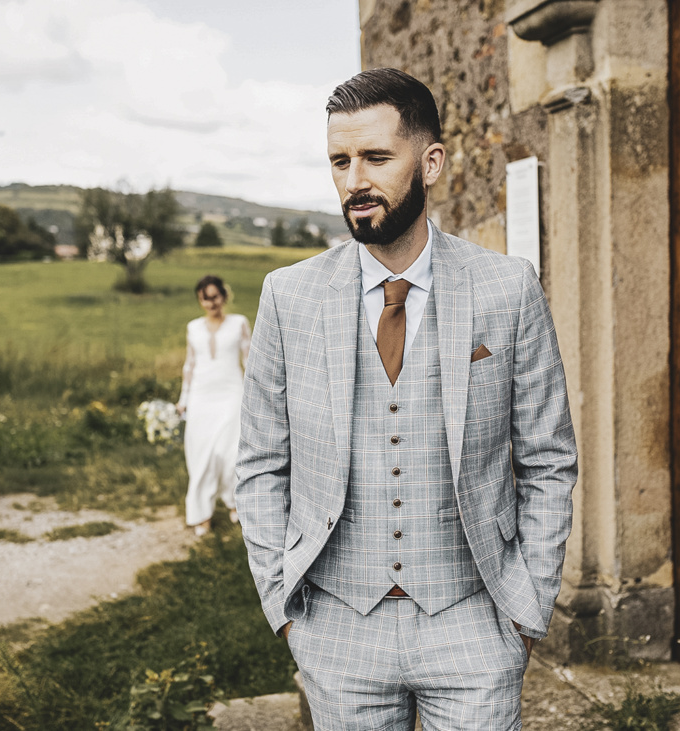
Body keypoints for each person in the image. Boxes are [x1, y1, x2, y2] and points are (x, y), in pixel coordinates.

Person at [236, 68, 577, 730]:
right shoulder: (289, 295)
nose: (353, 179)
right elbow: (259, 462)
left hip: (475, 621)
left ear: (430, 163)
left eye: (375, 157)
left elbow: (548, 457)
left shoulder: (507, 288)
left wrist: (526, 608)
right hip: (337, 627)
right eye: (340, 160)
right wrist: (283, 608)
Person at [176, 274, 251, 536]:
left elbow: (249, 360)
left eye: (214, 297)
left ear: (224, 296)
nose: (210, 304)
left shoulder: (238, 323)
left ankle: (235, 503)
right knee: (201, 455)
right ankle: (201, 514)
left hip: (231, 393)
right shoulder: (193, 327)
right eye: (204, 299)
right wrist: (183, 399)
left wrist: (255, 396)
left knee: (231, 453)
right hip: (200, 396)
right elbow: (190, 364)